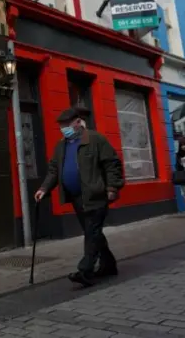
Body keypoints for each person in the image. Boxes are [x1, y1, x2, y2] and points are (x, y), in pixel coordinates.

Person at [34, 108, 124, 287]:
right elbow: (54, 170)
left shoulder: (95, 139)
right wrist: (44, 188)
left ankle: (85, 271)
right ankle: (109, 265)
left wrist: (112, 187)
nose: (63, 129)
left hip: (95, 195)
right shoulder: (62, 146)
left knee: (92, 232)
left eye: (66, 125)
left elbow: (111, 164)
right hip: (76, 197)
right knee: (93, 233)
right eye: (61, 126)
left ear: (77, 122)